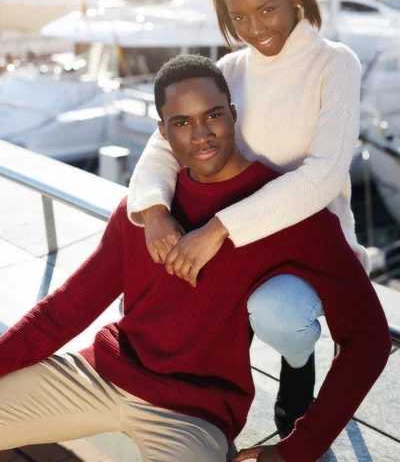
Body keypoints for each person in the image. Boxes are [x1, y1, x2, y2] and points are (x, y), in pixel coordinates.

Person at [0, 56, 391, 462]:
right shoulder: (145, 210)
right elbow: (65, 309)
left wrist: (298, 449)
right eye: (182, 122)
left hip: (194, 413)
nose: (201, 134)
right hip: (103, 373)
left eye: (213, 115)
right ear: (162, 132)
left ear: (233, 114)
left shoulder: (290, 212)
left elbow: (368, 337)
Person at [126, 0, 370, 437]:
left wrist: (217, 229)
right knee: (151, 267)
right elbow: (164, 144)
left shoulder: (335, 64)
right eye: (239, 18)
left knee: (277, 313)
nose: (255, 29)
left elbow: (322, 177)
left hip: (306, 237)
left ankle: (298, 362)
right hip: (237, 237)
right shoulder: (232, 70)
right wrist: (153, 211)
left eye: (266, 10)